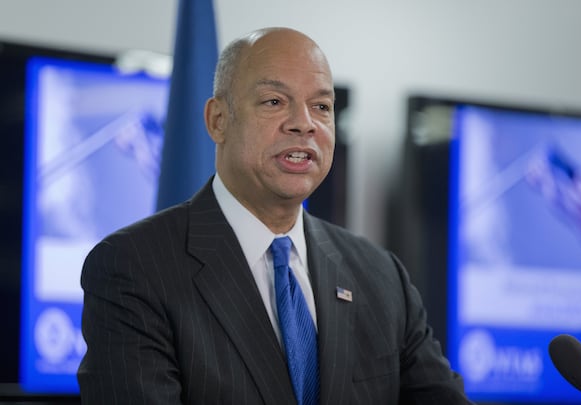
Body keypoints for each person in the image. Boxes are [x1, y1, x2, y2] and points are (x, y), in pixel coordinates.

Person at [77, 27, 473, 405]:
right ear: (218, 120)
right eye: (274, 102)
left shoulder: (382, 277)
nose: (304, 123)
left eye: (321, 106)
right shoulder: (133, 268)